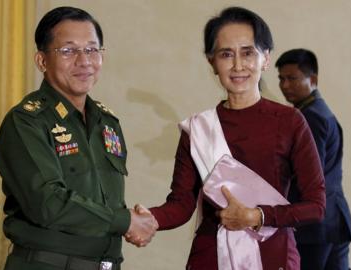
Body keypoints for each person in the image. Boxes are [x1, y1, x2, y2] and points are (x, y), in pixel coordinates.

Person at [126, 7, 326, 270]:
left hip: (272, 255)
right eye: (226, 54)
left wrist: (257, 216)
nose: (238, 65)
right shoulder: (198, 129)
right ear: (212, 62)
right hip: (211, 256)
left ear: (265, 59)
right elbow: (182, 203)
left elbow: (316, 206)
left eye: (248, 53)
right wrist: (147, 218)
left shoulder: (290, 122)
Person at [0, 6, 157, 270]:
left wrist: (133, 220)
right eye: (68, 51)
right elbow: (47, 203)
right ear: (42, 60)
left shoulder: (107, 122)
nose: (84, 61)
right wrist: (124, 221)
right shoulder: (26, 121)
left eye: (92, 49)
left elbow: (103, 200)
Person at [276, 48, 351, 270]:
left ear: (313, 79)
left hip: (315, 226)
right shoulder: (321, 111)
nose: (285, 85)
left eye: (292, 78)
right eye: (281, 79)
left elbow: (308, 175)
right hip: (333, 220)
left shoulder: (310, 117)